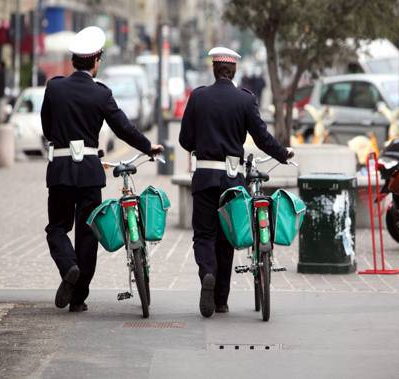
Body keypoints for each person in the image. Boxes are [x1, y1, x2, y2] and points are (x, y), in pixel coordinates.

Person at [40, 26, 163, 312]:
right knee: (87, 234)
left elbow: (47, 127)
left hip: (59, 169)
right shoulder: (101, 94)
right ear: (96, 60)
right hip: (89, 174)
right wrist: (148, 147)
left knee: (57, 228)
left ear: (73, 60)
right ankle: (79, 297)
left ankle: (68, 266)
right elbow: (124, 128)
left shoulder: (54, 88)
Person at [179, 46, 293, 318]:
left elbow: (185, 140)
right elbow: (262, 137)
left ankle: (207, 273)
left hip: (205, 176)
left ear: (214, 69)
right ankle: (221, 300)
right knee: (226, 238)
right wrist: (283, 154)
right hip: (232, 180)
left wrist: (201, 144)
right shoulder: (245, 100)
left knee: (204, 235)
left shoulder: (198, 97)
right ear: (234, 71)